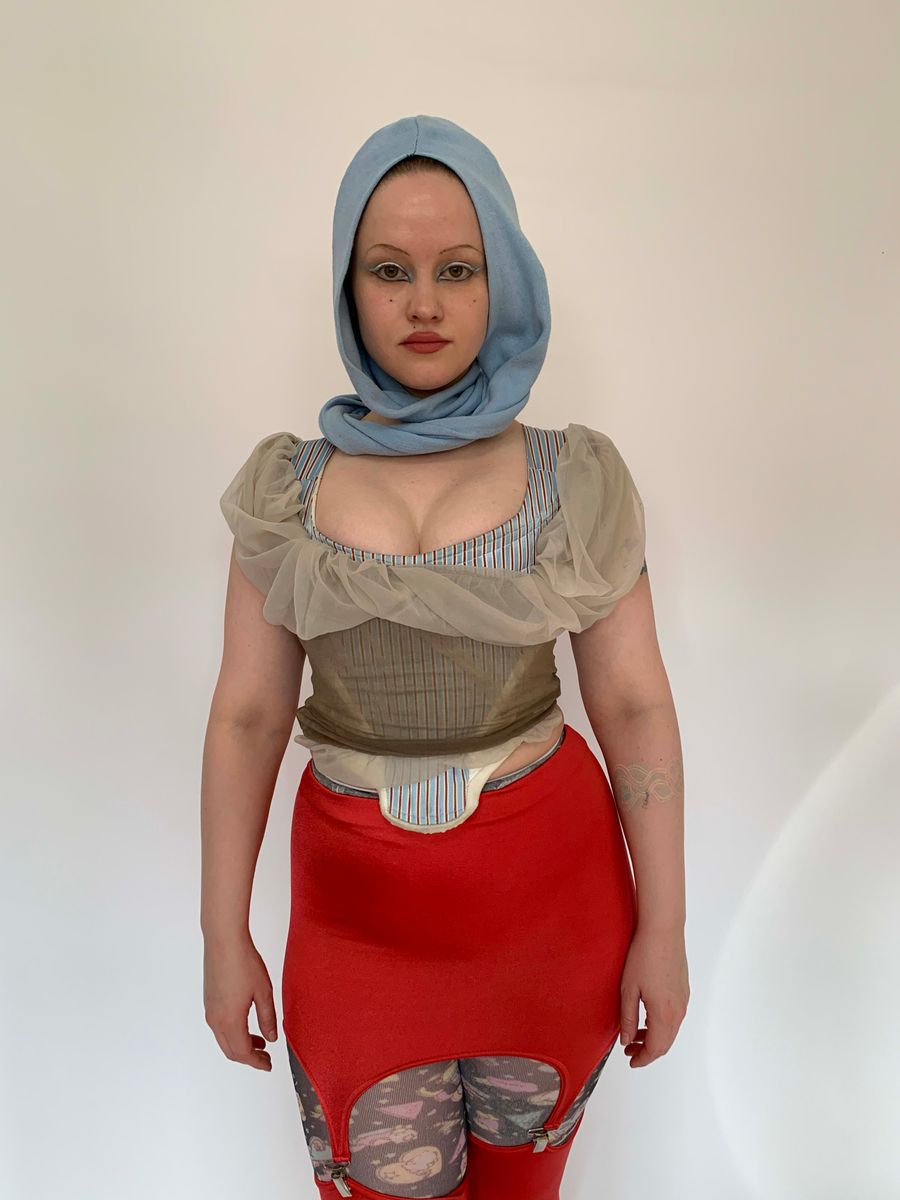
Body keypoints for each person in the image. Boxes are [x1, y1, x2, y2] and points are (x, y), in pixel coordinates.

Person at [202, 115, 689, 1200]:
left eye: (456, 270)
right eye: (390, 270)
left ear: (499, 280)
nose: (423, 303)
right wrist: (220, 931)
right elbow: (246, 717)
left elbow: (632, 704)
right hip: (357, 916)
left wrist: (666, 924)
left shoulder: (575, 478)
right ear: (349, 286)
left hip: (552, 904)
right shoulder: (286, 491)